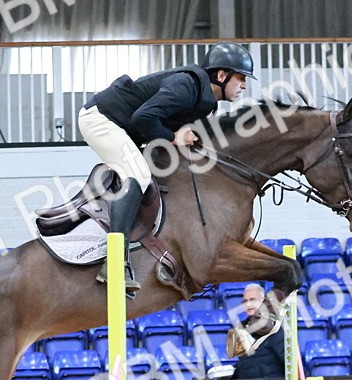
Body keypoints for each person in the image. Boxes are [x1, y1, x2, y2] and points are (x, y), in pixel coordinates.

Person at [78, 42, 254, 298]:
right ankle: (114, 263)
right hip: (101, 119)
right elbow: (143, 118)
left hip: (125, 127)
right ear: (221, 75)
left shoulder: (205, 102)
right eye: (241, 77)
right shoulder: (186, 86)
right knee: (137, 174)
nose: (244, 85)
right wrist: (173, 136)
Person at [220, 283, 286, 380]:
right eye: (245, 301)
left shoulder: (274, 327)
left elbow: (288, 361)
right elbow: (245, 363)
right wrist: (230, 378)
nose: (248, 304)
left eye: (253, 300)